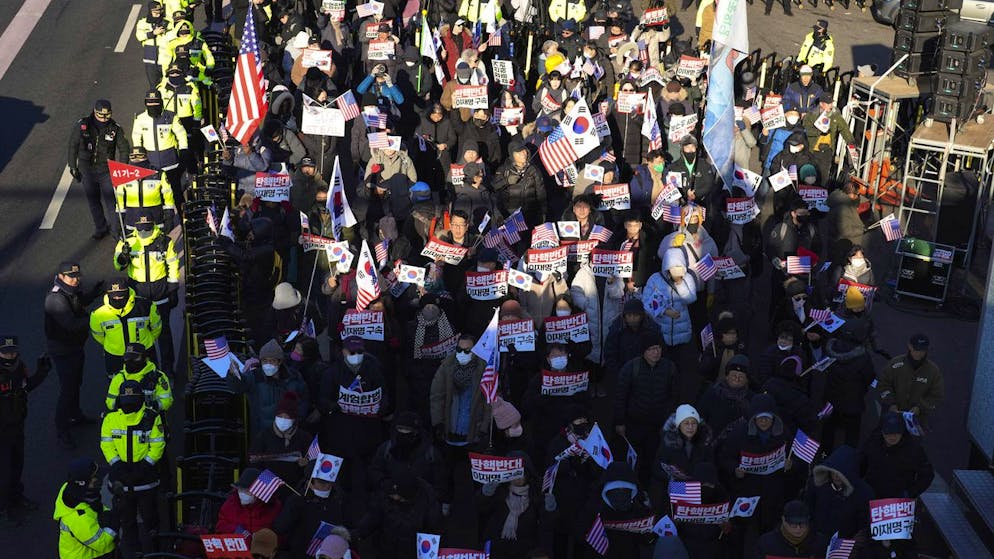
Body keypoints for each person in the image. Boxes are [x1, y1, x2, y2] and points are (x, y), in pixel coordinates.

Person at [100, 379, 165, 557]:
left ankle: (155, 547)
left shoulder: (151, 417)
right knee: (127, 520)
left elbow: (158, 445)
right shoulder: (110, 419)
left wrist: (144, 466)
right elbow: (106, 445)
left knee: (150, 516)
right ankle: (134, 550)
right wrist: (118, 465)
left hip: (144, 479)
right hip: (122, 480)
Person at [113, 210, 179, 375]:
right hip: (138, 293)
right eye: (141, 229)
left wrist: (173, 289)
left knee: (164, 332)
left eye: (147, 229)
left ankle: (168, 367)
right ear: (136, 227)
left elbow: (172, 265)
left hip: (160, 292)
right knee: (140, 335)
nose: (144, 232)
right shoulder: (126, 243)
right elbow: (118, 265)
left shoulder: (164, 241)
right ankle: (146, 367)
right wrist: (124, 256)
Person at [45, 261, 102, 449]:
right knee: (67, 389)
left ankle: (75, 415)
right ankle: (62, 430)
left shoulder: (70, 289)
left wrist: (94, 293)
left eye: (77, 276)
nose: (76, 280)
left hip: (75, 346)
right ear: (61, 277)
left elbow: (80, 301)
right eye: (71, 276)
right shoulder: (56, 299)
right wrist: (96, 317)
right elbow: (71, 324)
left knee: (76, 383)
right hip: (63, 350)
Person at [614, 331, 678, 484]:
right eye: (651, 349)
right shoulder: (630, 368)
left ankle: (644, 490)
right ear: (643, 351)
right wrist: (619, 421)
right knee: (630, 458)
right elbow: (620, 396)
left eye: (658, 348)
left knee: (651, 460)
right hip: (634, 424)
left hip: (657, 425)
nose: (656, 352)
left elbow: (674, 396)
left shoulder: (669, 368)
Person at [0, 336, 49, 523]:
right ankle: (3, 508)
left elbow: (26, 387)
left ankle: (16, 497)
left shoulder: (19, 367)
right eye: (5, 351)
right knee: (3, 471)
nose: (10, 354)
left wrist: (42, 372)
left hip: (17, 425)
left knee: (16, 464)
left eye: (12, 351)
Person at [68, 99, 130, 239]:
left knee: (112, 203)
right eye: (101, 116)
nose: (104, 119)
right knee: (93, 201)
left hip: (106, 171)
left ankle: (116, 232)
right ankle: (100, 228)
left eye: (107, 116)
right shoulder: (83, 125)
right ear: (95, 112)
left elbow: (124, 149)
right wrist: (72, 166)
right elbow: (73, 145)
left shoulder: (115, 129)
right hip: (87, 170)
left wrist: (122, 168)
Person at [228, 338, 309, 436]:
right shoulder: (254, 377)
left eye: (272, 361)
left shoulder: (293, 377)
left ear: (280, 362)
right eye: (265, 361)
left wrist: (296, 421)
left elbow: (304, 401)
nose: (268, 364)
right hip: (262, 435)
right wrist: (233, 375)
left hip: (288, 434)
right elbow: (238, 387)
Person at [89, 278, 162, 378]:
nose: (118, 299)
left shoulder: (146, 306)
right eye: (114, 298)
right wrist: (115, 346)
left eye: (121, 296)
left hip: (144, 354)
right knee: (117, 388)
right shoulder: (98, 314)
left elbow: (156, 328)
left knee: (150, 384)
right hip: (115, 357)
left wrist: (146, 343)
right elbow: (98, 336)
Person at [805, 445, 873, 545]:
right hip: (817, 538)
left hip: (845, 543)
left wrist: (860, 536)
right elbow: (808, 506)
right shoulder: (817, 485)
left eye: (841, 473)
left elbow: (865, 522)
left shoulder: (863, 493)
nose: (836, 476)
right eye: (834, 472)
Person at [53, 458, 118, 558]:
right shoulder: (79, 519)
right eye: (95, 477)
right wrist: (113, 523)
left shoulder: (71, 488)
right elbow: (102, 543)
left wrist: (106, 513)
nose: (99, 479)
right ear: (84, 483)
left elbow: (96, 506)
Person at [877, 333, 945, 429]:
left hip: (916, 420)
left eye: (922, 350)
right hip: (891, 416)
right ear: (909, 346)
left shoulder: (933, 370)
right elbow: (882, 385)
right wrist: (890, 403)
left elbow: (936, 395)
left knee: (913, 443)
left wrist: (920, 408)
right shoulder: (895, 364)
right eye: (916, 349)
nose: (919, 353)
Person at [115, 147, 177, 232]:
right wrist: (119, 220)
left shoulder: (158, 174)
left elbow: (167, 194)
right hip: (132, 219)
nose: (136, 159)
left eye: (140, 156)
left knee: (158, 243)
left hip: (155, 217)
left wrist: (169, 214)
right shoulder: (124, 174)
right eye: (133, 156)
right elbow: (120, 198)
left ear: (146, 156)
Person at [105, 343, 173, 416]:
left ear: (145, 358)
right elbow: (110, 402)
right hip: (125, 420)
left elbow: (167, 400)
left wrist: (153, 405)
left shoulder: (158, 377)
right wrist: (121, 402)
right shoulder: (118, 378)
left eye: (135, 357)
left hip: (150, 419)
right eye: (128, 358)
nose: (131, 360)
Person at [216, 468, 283, 536]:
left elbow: (280, 533)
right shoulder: (231, 503)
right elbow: (221, 526)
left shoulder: (273, 506)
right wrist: (235, 530)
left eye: (247, 491)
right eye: (240, 489)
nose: (242, 493)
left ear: (259, 491)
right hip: (238, 545)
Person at [752, 500, 825, 558]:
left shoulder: (820, 543)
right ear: (783, 520)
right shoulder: (766, 543)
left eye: (803, 524)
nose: (798, 528)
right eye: (793, 524)